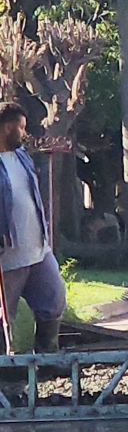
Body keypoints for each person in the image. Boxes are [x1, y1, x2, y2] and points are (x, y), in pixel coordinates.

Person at [0, 102, 66, 353]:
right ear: (7, 128)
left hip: (38, 250)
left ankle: (47, 365)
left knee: (54, 300)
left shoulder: (22, 158)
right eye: (21, 128)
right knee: (4, 317)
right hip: (8, 257)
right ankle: (6, 381)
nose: (25, 133)